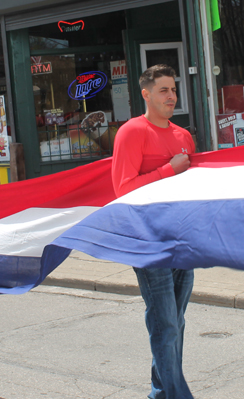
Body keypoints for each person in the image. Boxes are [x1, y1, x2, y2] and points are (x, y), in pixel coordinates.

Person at [111, 65, 195, 399]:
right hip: (148, 242)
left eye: (173, 89)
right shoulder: (131, 132)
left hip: (183, 240)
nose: (171, 96)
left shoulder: (183, 135)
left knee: (176, 323)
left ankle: (161, 393)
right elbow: (123, 189)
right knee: (166, 324)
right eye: (163, 90)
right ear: (145, 94)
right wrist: (166, 170)